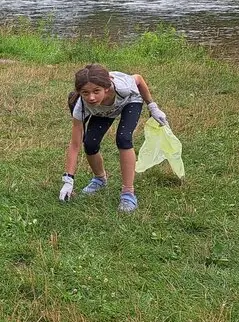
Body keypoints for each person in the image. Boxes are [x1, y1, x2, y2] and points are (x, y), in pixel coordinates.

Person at [58, 64, 170, 213]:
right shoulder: (81, 107)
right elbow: (75, 144)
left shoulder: (122, 87)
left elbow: (138, 78)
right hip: (104, 110)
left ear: (106, 87)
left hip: (130, 101)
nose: (91, 97)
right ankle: (100, 179)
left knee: (123, 139)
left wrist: (152, 106)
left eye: (96, 91)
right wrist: (68, 180)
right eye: (85, 92)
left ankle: (128, 193)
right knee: (90, 144)